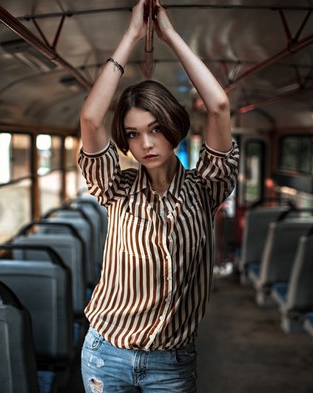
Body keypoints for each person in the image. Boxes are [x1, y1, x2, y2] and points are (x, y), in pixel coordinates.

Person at [78, 0, 239, 391]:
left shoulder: (206, 189)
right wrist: (131, 35)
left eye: (154, 128)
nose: (146, 143)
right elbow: (90, 119)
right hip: (106, 352)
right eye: (133, 134)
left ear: (173, 126)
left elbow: (218, 106)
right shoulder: (114, 188)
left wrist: (169, 35)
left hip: (172, 361)